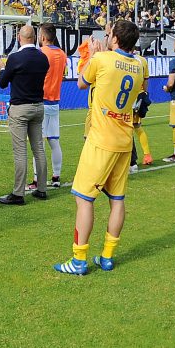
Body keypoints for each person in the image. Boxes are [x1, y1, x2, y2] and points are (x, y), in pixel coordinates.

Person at [54, 19, 146, 275]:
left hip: (101, 141)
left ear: (115, 39)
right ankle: (106, 256)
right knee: (117, 200)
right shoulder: (140, 65)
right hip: (124, 142)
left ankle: (79, 260)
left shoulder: (102, 60)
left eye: (109, 33)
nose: (106, 36)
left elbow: (82, 83)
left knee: (83, 199)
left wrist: (91, 55)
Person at [0, 24, 49, 204]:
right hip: (38, 106)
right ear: (34, 38)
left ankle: (18, 194)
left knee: (20, 152)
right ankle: (42, 188)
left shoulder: (15, 58)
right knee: (39, 149)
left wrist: (3, 68)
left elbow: (2, 83)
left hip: (20, 108)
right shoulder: (43, 58)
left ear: (19, 38)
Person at [30, 23, 66, 190]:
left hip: (41, 101)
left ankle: (37, 180)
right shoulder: (62, 54)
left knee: (38, 143)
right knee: (54, 141)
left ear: (43, 37)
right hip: (55, 102)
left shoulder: (41, 53)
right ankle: (56, 177)